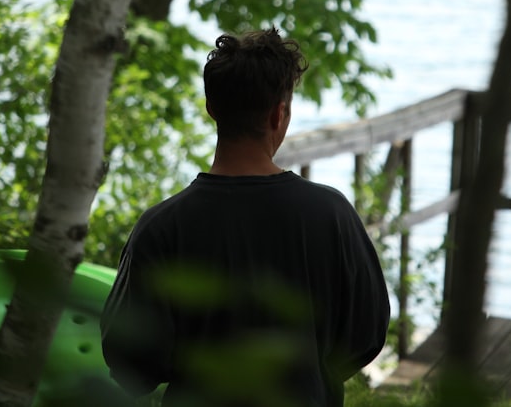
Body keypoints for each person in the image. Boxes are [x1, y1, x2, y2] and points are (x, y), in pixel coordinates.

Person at [100, 28, 390, 407]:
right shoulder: (331, 214)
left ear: (211, 109)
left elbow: (129, 362)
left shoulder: (161, 227)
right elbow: (366, 335)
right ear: (278, 114)